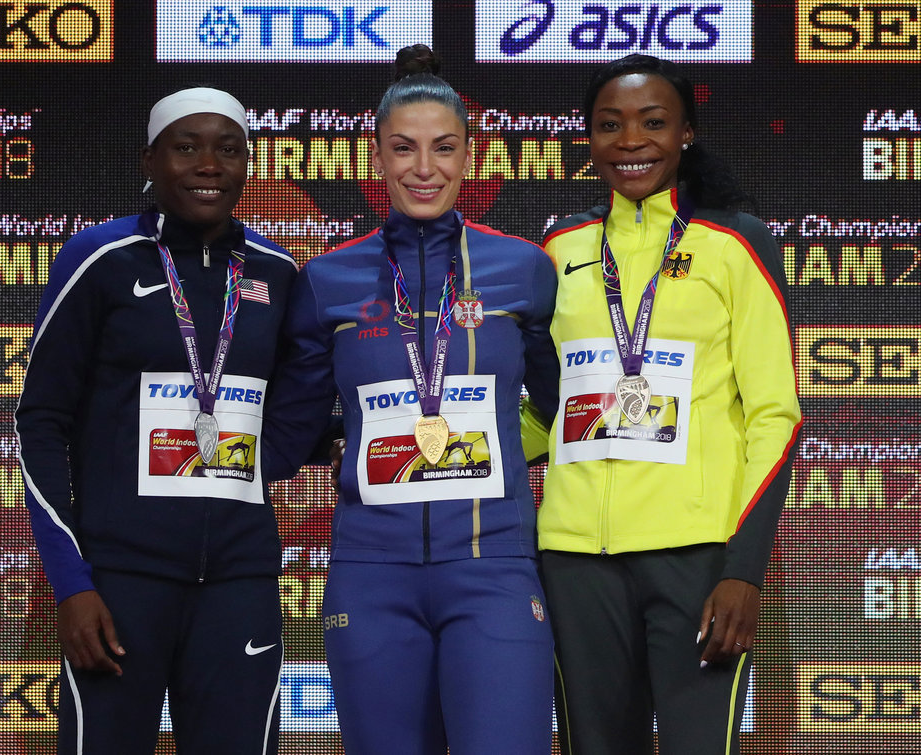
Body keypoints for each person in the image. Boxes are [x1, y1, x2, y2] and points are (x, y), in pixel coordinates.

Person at [264, 45, 559, 755]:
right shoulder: (328, 280)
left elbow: (562, 406)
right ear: (377, 157)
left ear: (470, 156)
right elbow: (292, 425)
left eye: (443, 148)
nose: (424, 168)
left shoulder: (522, 269)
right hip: (372, 577)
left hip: (493, 569)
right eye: (404, 148)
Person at [531, 55, 803, 754]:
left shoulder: (736, 243)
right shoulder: (558, 248)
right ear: (589, 138)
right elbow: (548, 407)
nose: (631, 141)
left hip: (697, 558)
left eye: (653, 123)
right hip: (575, 558)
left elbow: (775, 416)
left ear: (686, 132)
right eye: (609, 125)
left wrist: (743, 569)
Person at [15, 87, 296, 754]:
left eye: (229, 149)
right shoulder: (99, 259)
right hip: (119, 583)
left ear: (248, 164)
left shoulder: (278, 272)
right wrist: (73, 584)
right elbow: (40, 422)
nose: (209, 164)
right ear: (150, 159)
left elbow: (293, 413)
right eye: (186, 147)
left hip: (239, 583)